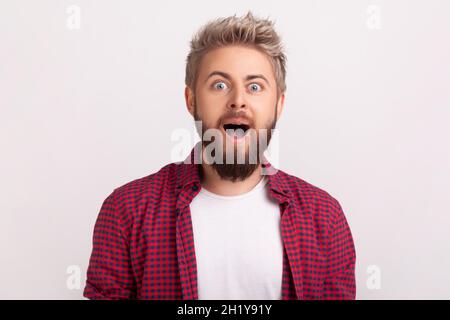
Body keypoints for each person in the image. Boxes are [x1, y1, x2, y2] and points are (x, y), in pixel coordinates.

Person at [83, 11, 356, 300]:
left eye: (255, 87)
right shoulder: (127, 211)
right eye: (219, 85)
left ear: (278, 104)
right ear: (191, 100)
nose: (238, 100)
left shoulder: (324, 217)